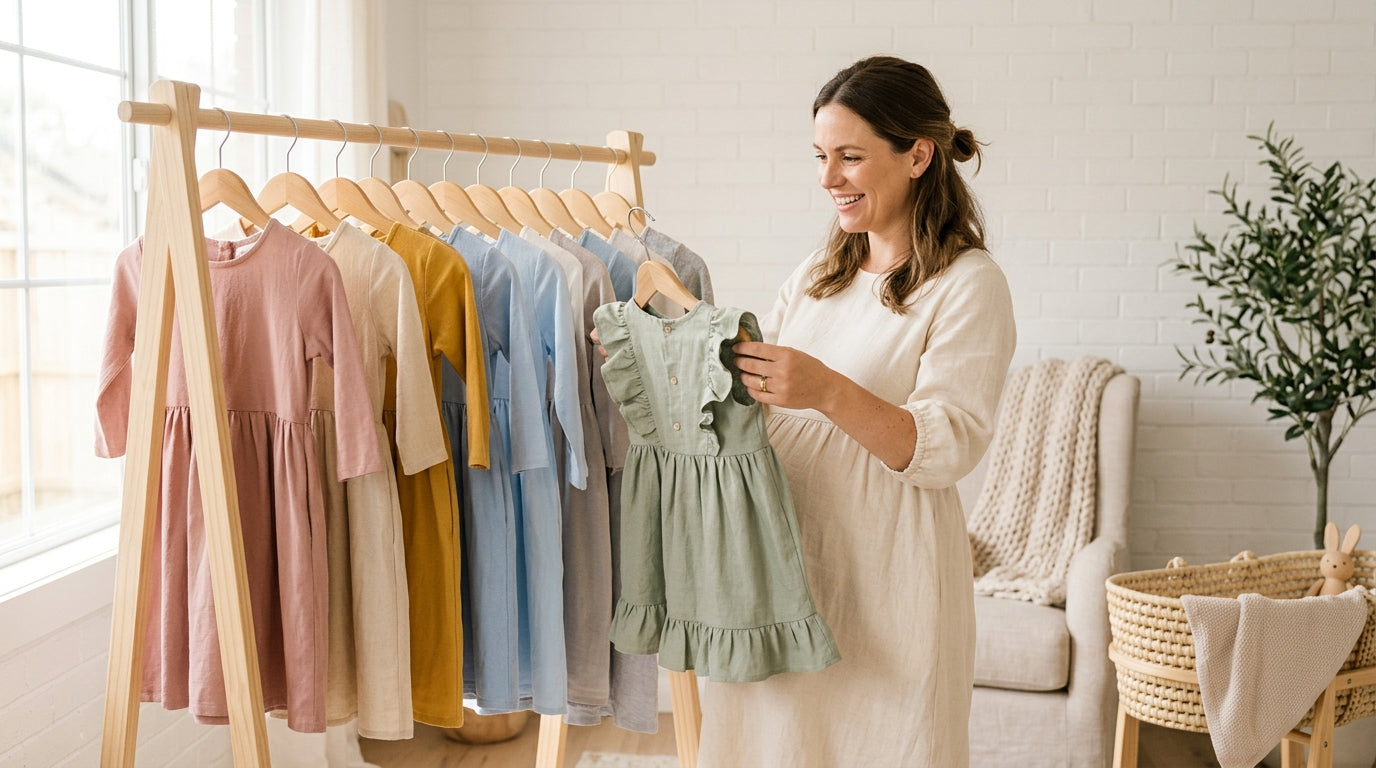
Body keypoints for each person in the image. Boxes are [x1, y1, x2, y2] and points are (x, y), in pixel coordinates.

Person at [695, 56, 1017, 766]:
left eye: (850, 157)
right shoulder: (817, 275)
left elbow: (947, 447)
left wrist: (827, 391)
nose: (828, 178)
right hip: (784, 567)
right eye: (820, 156)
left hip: (888, 577)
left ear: (917, 156)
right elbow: (754, 404)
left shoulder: (968, 285)